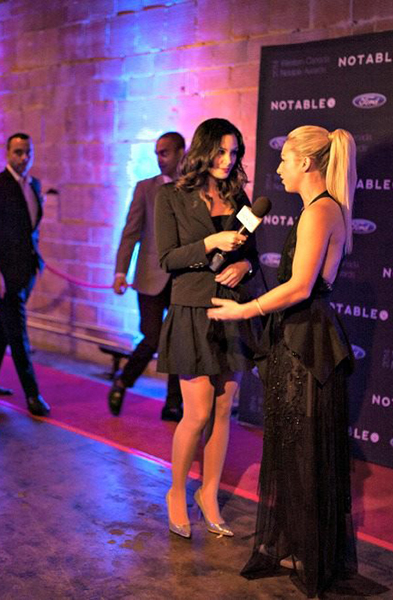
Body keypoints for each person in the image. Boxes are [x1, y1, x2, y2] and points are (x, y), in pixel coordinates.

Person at [208, 125, 358, 597]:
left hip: (305, 340)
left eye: (286, 160)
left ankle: (309, 556)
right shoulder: (323, 209)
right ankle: (301, 547)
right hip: (300, 335)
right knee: (296, 449)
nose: (278, 169)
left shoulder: (319, 212)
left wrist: (243, 309)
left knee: (303, 451)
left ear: (307, 164)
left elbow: (298, 287)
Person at [156, 118, 259, 539]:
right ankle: (177, 491)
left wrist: (244, 264)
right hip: (192, 311)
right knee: (196, 413)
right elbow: (166, 258)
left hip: (231, 310)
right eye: (220, 151)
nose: (227, 160)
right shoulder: (171, 197)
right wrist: (210, 245)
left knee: (223, 411)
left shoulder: (239, 197)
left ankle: (210, 492)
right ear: (203, 151)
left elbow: (255, 254)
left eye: (234, 153)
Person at [0, 133, 50, 417]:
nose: (24, 157)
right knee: (18, 334)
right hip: (3, 274)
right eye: (18, 152)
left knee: (5, 325)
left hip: (27, 269)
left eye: (28, 152)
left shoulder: (34, 184)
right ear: (7, 153)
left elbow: (30, 228)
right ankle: (32, 394)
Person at [108, 131, 185, 421]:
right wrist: (120, 272)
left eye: (164, 152)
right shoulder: (144, 188)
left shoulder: (192, 188)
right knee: (153, 338)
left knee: (178, 341)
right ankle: (123, 381)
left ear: (181, 153)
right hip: (150, 277)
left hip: (180, 279)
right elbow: (130, 233)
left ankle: (173, 403)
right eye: (156, 152)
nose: (159, 158)